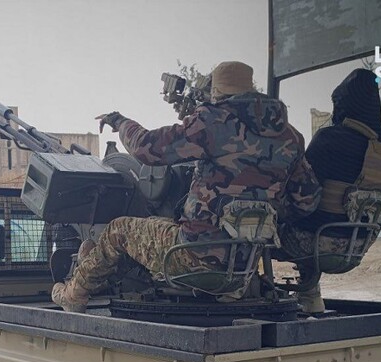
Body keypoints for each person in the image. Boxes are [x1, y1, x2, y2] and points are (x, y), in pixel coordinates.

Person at [52, 61, 320, 313]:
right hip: (245, 262)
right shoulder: (290, 137)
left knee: (117, 230)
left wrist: (120, 121)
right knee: (159, 224)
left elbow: (147, 148)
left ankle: (74, 294)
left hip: (192, 256)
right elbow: (307, 202)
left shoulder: (213, 121)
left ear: (217, 92)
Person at [277, 69, 381, 313]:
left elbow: (303, 197)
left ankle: (247, 291)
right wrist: (360, 217)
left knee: (262, 226)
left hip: (311, 244)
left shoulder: (330, 139)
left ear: (343, 104)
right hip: (356, 247)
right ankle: (309, 294)